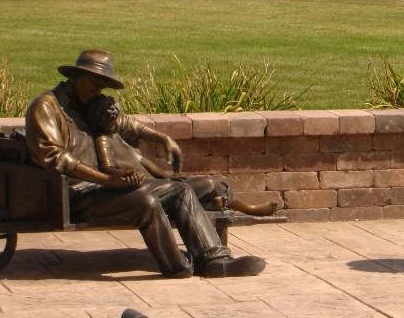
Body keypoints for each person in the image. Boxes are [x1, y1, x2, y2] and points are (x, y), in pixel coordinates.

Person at [25, 49, 266, 278]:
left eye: (103, 86)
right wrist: (108, 179)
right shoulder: (46, 107)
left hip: (106, 188)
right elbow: (55, 158)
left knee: (182, 190)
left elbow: (124, 124)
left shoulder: (87, 102)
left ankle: (215, 261)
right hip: (76, 194)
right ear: (75, 75)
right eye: (94, 82)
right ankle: (178, 267)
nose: (98, 90)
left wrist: (164, 138)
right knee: (146, 202)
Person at [83, 93, 278, 216]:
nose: (120, 122)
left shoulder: (116, 135)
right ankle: (247, 209)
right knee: (208, 184)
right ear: (103, 121)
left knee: (201, 183)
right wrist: (120, 175)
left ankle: (212, 204)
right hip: (149, 190)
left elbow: (144, 161)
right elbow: (107, 168)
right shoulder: (103, 140)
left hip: (159, 183)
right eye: (114, 120)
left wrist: (167, 175)